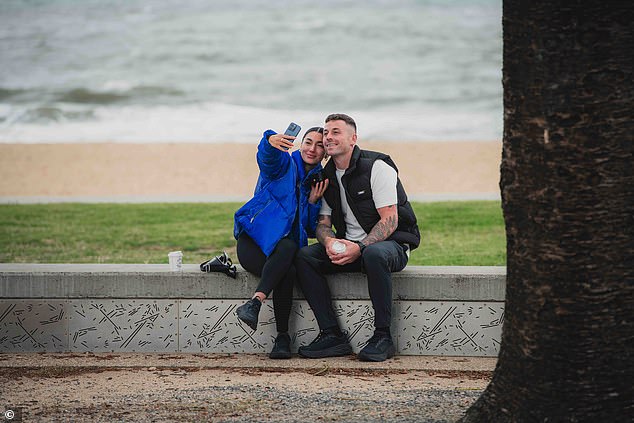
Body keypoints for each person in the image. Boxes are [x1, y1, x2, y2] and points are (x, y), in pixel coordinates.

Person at [295, 114, 420, 362]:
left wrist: (360, 247)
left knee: (373, 254)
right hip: (351, 246)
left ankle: (383, 337)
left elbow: (390, 220)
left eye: (336, 132)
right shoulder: (326, 175)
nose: (328, 137)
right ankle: (332, 334)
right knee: (304, 256)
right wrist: (330, 242)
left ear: (353, 139)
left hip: (391, 246)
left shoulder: (377, 167)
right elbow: (323, 224)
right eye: (327, 132)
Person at [233, 125, 328, 359]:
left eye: (320, 145)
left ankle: (274, 327)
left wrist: (313, 202)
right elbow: (267, 159)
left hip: (282, 252)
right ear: (301, 144)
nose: (312, 149)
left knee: (288, 262)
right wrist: (269, 140)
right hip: (254, 242)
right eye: (308, 142)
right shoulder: (283, 165)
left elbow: (306, 229)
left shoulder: (317, 181)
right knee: (286, 251)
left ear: (326, 153)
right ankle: (279, 332)